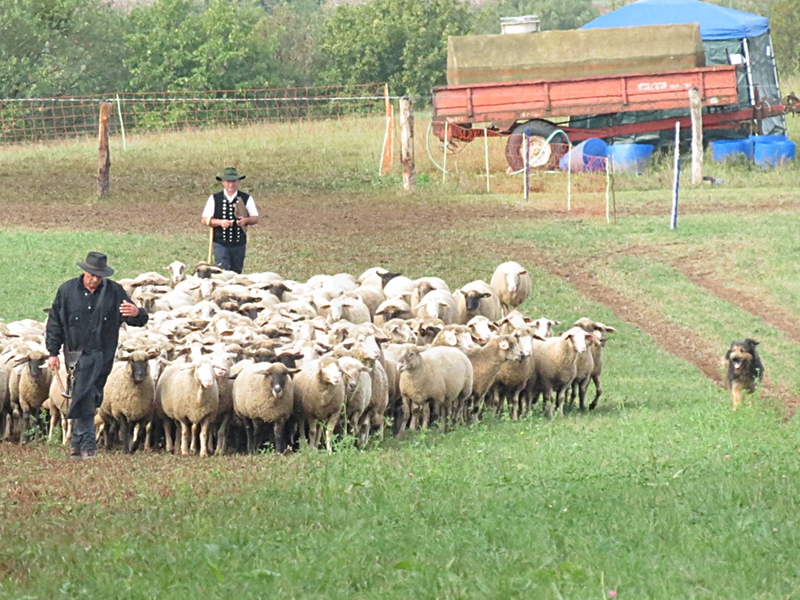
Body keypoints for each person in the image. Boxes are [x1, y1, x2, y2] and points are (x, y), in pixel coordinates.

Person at [45, 252, 149, 459]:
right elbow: (55, 322)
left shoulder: (114, 292)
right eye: (92, 275)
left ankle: (76, 444)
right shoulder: (67, 291)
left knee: (89, 396)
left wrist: (138, 313)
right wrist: (52, 352)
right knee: (86, 396)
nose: (95, 279)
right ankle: (88, 445)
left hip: (103, 355)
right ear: (85, 271)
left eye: (99, 276)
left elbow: (136, 319)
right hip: (76, 355)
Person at [201, 167, 259, 273]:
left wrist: (245, 221)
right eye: (228, 182)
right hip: (220, 243)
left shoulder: (246, 198)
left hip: (239, 243)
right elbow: (204, 220)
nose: (231, 185)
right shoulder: (214, 198)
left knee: (237, 272)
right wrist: (219, 222)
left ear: (238, 182)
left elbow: (255, 218)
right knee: (223, 271)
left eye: (233, 181)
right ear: (223, 182)